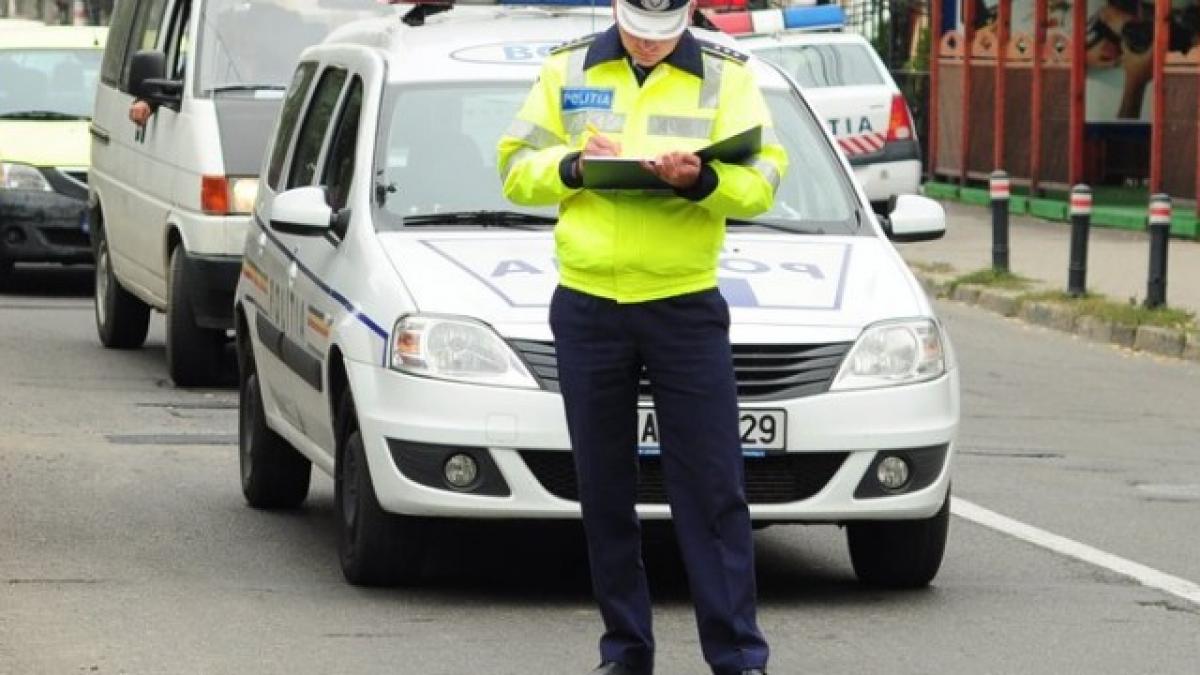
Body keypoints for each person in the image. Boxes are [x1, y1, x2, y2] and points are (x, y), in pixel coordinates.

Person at [497, 2, 787, 674]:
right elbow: (514, 166)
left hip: (684, 302)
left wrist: (704, 180)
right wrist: (570, 165)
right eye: (636, 33)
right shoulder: (567, 68)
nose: (648, 46)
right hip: (589, 302)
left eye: (660, 36)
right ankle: (625, 650)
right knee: (603, 488)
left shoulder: (728, 76)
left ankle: (738, 655)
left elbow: (765, 178)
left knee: (713, 488)